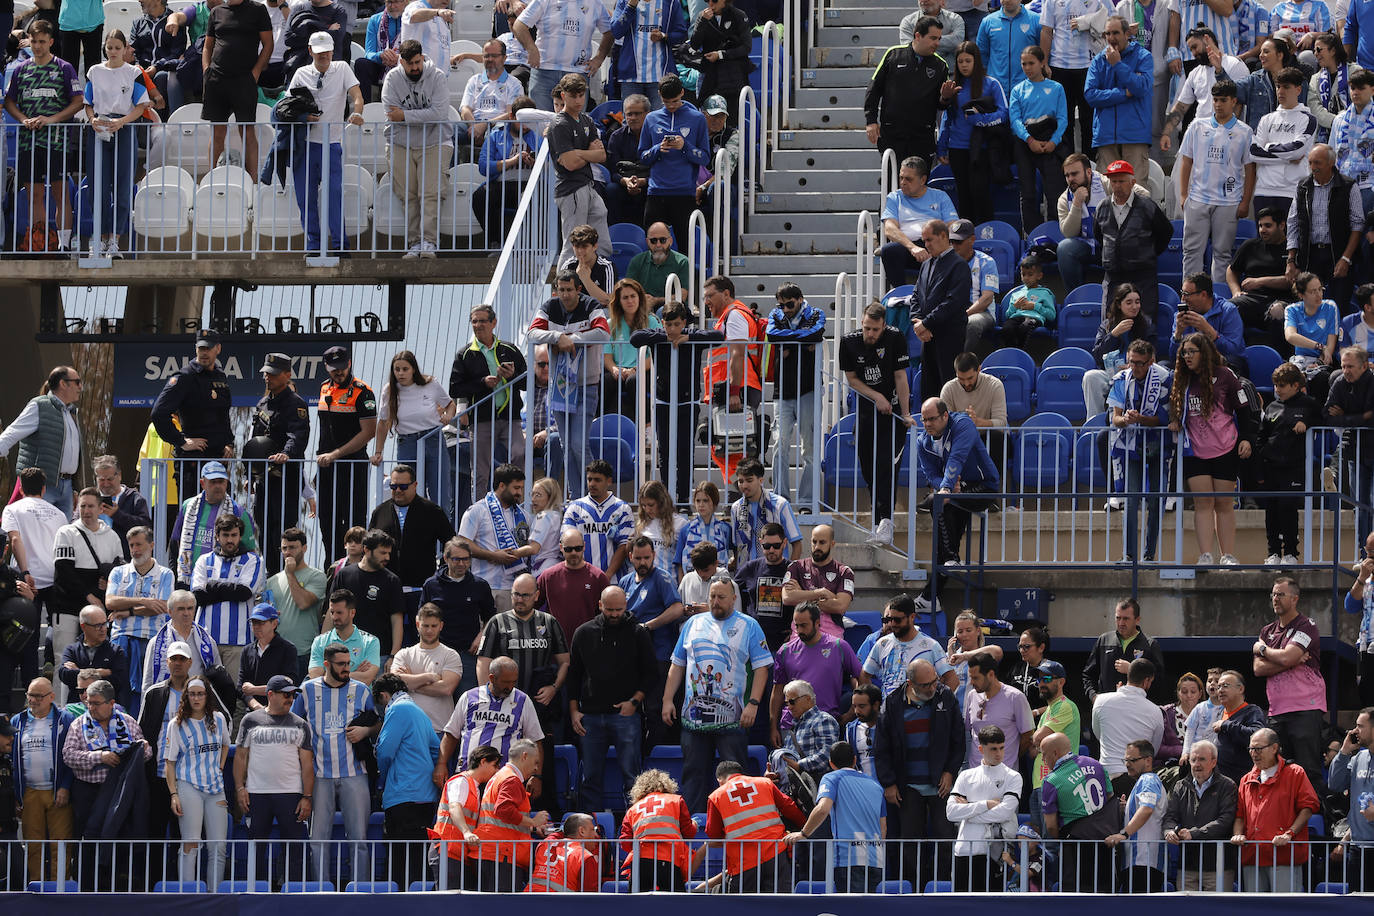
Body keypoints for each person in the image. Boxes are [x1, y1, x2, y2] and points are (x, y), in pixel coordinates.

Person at [662, 575, 772, 812]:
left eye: (721, 597)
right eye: (712, 596)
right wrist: (667, 699)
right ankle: (693, 831)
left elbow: (762, 668)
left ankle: (738, 828)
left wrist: (753, 703)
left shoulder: (749, 625)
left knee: (735, 780)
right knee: (693, 777)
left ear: (733, 598)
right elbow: (677, 665)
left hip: (732, 720)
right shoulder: (692, 624)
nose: (715, 601)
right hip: (693, 720)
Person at [1169, 330, 1256, 566]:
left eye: (1192, 352)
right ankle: (1205, 555)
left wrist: (1246, 438)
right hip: (1194, 450)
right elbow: (1174, 405)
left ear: (1204, 352)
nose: (1187, 356)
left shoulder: (1225, 375)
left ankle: (1227, 555)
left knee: (1224, 503)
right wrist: (1175, 418)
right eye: (1184, 352)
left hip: (1226, 447)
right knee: (1203, 502)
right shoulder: (1182, 378)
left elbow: (1243, 409)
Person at [874, 658, 964, 884]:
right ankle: (914, 889)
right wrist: (889, 783)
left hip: (940, 783)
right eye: (926, 685)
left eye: (935, 681)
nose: (933, 687)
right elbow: (881, 747)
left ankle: (942, 886)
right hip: (907, 785)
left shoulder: (946, 696)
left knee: (944, 838)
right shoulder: (892, 703)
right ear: (910, 683)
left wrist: (950, 772)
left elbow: (959, 741)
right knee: (910, 842)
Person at [835, 305, 916, 547]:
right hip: (866, 413)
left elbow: (901, 376)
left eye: (875, 329)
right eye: (866, 328)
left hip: (892, 415)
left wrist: (905, 413)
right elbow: (851, 379)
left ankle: (886, 522)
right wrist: (875, 396)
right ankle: (879, 522)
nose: (870, 333)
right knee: (869, 469)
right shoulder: (848, 342)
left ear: (883, 326)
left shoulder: (895, 337)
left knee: (886, 469)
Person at [293, 642, 375, 882]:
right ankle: (321, 890)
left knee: (359, 838)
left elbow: (376, 724)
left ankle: (360, 890)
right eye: (341, 664)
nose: (347, 668)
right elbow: (296, 727)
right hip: (319, 776)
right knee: (318, 838)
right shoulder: (307, 690)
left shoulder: (361, 690)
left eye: (348, 663)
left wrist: (365, 731)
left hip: (354, 772)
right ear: (326, 664)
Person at [568, 585, 654, 810]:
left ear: (626, 606)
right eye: (609, 610)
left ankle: (634, 827)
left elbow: (651, 673)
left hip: (626, 716)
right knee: (590, 778)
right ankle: (590, 833)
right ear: (600, 606)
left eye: (619, 609)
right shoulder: (583, 633)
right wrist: (574, 710)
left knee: (632, 778)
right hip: (591, 717)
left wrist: (634, 702)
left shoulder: (638, 632)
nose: (615, 614)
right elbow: (574, 674)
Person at [3, 21, 83, 255]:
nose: (37, 46)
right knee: (34, 194)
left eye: (41, 42)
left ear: (50, 42)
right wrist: (23, 119)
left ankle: (64, 244)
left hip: (57, 140)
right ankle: (38, 242)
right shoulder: (21, 69)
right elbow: (9, 101)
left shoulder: (64, 67)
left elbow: (77, 101)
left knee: (60, 192)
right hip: (29, 141)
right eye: (33, 41)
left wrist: (52, 119)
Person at [528, 271, 612, 488]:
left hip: (586, 384)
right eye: (561, 290)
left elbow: (604, 333)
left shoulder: (591, 305)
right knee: (566, 445)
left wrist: (573, 340)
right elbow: (532, 333)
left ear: (578, 290)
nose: (565, 295)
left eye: (569, 290)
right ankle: (577, 497)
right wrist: (557, 337)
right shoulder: (549, 307)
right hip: (560, 386)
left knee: (578, 444)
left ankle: (593, 494)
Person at [914, 397, 1000, 605]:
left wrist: (945, 488)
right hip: (953, 493)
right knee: (944, 512)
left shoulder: (963, 424)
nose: (927, 425)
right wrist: (947, 487)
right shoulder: (922, 442)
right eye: (924, 420)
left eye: (932, 419)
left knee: (940, 503)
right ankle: (932, 592)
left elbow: (957, 458)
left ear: (945, 415)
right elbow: (930, 474)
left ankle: (932, 591)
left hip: (984, 486)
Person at [1095, 316, 1170, 554]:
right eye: (1131, 362)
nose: (1134, 367)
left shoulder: (1165, 378)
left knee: (1156, 501)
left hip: (1158, 445)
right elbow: (1114, 418)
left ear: (1151, 362)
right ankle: (1130, 555)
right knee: (1132, 499)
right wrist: (1125, 420)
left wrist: (1142, 420)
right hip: (1130, 446)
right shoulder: (1120, 380)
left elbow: (1166, 420)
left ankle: (1149, 553)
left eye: (1140, 363)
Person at [234, 675, 313, 886]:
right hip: (257, 794)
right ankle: (256, 891)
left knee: (295, 847)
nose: (290, 699)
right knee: (256, 846)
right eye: (286, 694)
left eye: (292, 695)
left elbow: (307, 764)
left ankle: (295, 892)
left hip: (291, 794)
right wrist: (240, 788)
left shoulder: (301, 724)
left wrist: (307, 796)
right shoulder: (250, 721)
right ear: (270, 695)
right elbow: (240, 757)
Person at [1177, 81, 1256, 287]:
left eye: (1223, 100)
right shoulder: (1196, 126)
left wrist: (1245, 201)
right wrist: (1184, 195)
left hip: (1228, 201)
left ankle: (1218, 297)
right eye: (1215, 100)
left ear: (1233, 101)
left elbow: (1250, 168)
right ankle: (1189, 296)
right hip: (1198, 198)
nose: (1218, 104)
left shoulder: (1245, 132)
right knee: (1192, 251)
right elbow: (1186, 161)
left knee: (1222, 253)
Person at [1254, 576, 1328, 794]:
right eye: (1273, 594)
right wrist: (1288, 660)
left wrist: (1263, 650)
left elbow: (1285, 658)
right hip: (1277, 711)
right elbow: (1258, 669)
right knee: (1276, 770)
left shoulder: (1307, 626)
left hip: (1305, 708)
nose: (1275, 599)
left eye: (1281, 594)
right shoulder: (1267, 631)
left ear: (1295, 598)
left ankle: (1314, 822)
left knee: (1308, 770)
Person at [380, 39, 452, 258]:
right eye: (410, 63)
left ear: (422, 58)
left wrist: (405, 116)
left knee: (429, 194)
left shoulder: (437, 76)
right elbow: (390, 113)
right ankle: (415, 243)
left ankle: (429, 242)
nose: (415, 68)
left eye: (417, 62)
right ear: (401, 61)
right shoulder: (392, 78)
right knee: (407, 195)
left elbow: (439, 114)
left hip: (435, 140)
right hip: (401, 142)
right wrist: (416, 116)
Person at [80, 30, 148, 258]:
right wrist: (92, 119)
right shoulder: (94, 71)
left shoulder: (133, 72)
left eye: (117, 47)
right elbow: (88, 102)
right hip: (99, 129)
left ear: (125, 47)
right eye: (109, 47)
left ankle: (114, 241)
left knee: (122, 187)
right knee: (97, 187)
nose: (113, 52)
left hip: (124, 129)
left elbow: (141, 105)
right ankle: (97, 240)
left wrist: (122, 122)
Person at [783, 741, 886, 893]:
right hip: (876, 859)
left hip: (848, 859)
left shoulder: (831, 778)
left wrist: (803, 834)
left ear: (831, 763)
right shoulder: (875, 784)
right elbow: (883, 827)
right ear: (855, 760)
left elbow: (823, 809)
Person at [371, 673, 441, 886]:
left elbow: (385, 751)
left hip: (403, 795)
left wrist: (382, 773)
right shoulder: (419, 712)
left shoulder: (397, 709)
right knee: (419, 858)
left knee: (401, 859)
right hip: (425, 795)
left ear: (383, 695)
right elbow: (435, 749)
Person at [60, 679, 151, 839]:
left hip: (120, 791)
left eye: (96, 703)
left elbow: (147, 754)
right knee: (89, 837)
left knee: (121, 837)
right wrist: (99, 757)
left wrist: (144, 749)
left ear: (111, 703)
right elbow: (68, 755)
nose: (91, 708)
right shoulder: (78, 724)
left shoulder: (128, 722)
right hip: (88, 791)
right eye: (89, 703)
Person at [1232, 726, 1320, 891]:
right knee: (1256, 909)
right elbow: (1239, 815)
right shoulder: (1246, 780)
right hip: (1253, 856)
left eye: (1258, 748)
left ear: (1274, 748)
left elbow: (1308, 807)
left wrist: (1289, 833)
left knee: (1284, 909)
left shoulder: (1295, 773)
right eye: (1251, 749)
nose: (1254, 753)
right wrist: (1237, 834)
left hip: (1284, 856)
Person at [764, 284, 826, 514]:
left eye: (790, 304)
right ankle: (781, 501)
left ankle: (807, 502)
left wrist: (787, 343)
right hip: (783, 390)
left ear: (800, 299)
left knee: (809, 449)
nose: (785, 310)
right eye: (782, 305)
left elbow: (816, 333)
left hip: (808, 389)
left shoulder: (816, 313)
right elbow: (772, 335)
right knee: (780, 445)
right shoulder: (775, 314)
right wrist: (801, 342)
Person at [164, 676, 230, 886]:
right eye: (192, 694)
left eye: (200, 693)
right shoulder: (176, 724)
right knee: (191, 842)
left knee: (218, 846)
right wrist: (174, 794)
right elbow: (170, 762)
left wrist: (218, 768)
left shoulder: (219, 719)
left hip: (215, 787)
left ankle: (214, 895)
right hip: (188, 785)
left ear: (207, 695)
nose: (196, 698)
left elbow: (226, 745)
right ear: (186, 696)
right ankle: (189, 895)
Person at [702, 757, 805, 892]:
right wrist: (805, 827)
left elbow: (713, 834)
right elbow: (789, 807)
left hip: (743, 860)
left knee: (744, 907)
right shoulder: (765, 783)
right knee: (780, 904)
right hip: (775, 853)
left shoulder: (716, 796)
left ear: (719, 780)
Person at [315, 346, 379, 560]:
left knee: (353, 521)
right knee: (326, 520)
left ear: (349, 363)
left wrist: (335, 454)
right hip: (326, 468)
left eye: (342, 367)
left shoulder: (363, 391)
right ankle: (332, 568)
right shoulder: (324, 388)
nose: (338, 372)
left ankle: (356, 567)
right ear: (326, 367)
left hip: (352, 466)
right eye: (333, 369)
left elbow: (369, 432)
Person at [372, 352, 455, 515]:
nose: (401, 373)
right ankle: (417, 538)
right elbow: (382, 422)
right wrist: (378, 452)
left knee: (441, 495)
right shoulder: (389, 390)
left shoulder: (430, 383)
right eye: (397, 369)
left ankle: (442, 539)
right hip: (407, 443)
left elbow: (450, 404)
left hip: (433, 439)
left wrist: (449, 416)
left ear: (413, 370)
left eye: (405, 369)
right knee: (410, 496)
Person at [1255, 363, 1322, 566]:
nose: (1277, 389)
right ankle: (1273, 552)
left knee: (1288, 507)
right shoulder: (1272, 407)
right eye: (1275, 385)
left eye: (1282, 385)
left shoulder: (1309, 404)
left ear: (1295, 385)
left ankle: (1291, 552)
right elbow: (1262, 435)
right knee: (1272, 509)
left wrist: (1307, 423)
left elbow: (1323, 419)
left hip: (1294, 466)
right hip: (1271, 465)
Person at [637, 74, 709, 257]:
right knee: (653, 248)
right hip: (656, 192)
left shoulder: (697, 119)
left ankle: (685, 284)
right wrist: (657, 149)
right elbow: (642, 156)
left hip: (684, 193)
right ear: (659, 95)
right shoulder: (651, 118)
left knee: (685, 247)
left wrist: (685, 147)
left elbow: (705, 158)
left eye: (675, 101)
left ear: (683, 93)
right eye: (666, 101)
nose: (671, 106)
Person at [438, 656, 544, 779]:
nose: (510, 687)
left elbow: (536, 741)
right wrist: (441, 764)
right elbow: (451, 734)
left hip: (504, 778)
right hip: (468, 774)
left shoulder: (522, 700)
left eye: (513, 682)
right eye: (505, 682)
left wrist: (536, 777)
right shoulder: (469, 697)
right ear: (492, 678)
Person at [12, 677, 75, 883]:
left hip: (58, 791)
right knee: (33, 845)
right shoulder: (17, 721)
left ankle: (60, 889)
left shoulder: (64, 719)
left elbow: (71, 755)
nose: (33, 700)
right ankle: (36, 887)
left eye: (39, 696)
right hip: (30, 791)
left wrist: (65, 786)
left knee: (61, 845)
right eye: (30, 695)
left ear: (51, 697)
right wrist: (16, 794)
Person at [1039, 732, 1120, 892]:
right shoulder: (1096, 764)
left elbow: (1051, 826)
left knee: (1076, 896)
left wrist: (1063, 840)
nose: (1043, 759)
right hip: (1105, 841)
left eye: (1044, 755)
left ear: (1055, 753)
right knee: (1106, 892)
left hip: (1075, 845)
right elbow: (1110, 798)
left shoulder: (1051, 780)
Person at [1287, 144, 1364, 311]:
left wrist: (1346, 259)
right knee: (1310, 308)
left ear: (1331, 163)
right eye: (1310, 163)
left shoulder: (1348, 186)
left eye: (1318, 163)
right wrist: (1291, 259)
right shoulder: (1303, 187)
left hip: (1338, 254)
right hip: (1310, 255)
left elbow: (1357, 224)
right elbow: (1293, 222)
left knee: (1338, 306)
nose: (1313, 168)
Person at [937, 42, 1007, 225]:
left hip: (982, 149)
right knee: (964, 195)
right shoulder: (953, 86)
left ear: (976, 61)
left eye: (968, 60)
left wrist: (981, 119)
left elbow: (1004, 114)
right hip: (957, 148)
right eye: (960, 61)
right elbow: (947, 118)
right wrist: (941, 147)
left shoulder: (991, 83)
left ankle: (986, 236)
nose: (964, 65)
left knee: (980, 193)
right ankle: (965, 241)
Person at [866, 19, 951, 168]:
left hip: (922, 137)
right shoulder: (893, 55)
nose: (937, 43)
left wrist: (945, 98)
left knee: (919, 185)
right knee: (893, 182)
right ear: (918, 36)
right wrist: (871, 121)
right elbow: (874, 89)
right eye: (933, 38)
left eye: (939, 39)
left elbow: (941, 104)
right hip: (892, 134)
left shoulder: (941, 66)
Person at [0, 368, 84, 519]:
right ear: (63, 384)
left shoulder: (72, 413)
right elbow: (12, 432)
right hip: (42, 486)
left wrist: (75, 488)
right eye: (77, 382)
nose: (80, 387)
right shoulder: (40, 406)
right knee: (36, 533)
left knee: (61, 538)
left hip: (67, 487)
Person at [190, 513, 265, 681]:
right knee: (203, 691)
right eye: (225, 535)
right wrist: (231, 590)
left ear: (240, 536)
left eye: (234, 535)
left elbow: (244, 592)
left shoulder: (252, 560)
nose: (230, 540)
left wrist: (211, 586)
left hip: (238, 641)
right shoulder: (204, 560)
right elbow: (198, 596)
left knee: (235, 696)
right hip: (206, 640)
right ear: (217, 536)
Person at [202, 0, 272, 178]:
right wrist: (206, 71)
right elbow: (207, 46)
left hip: (244, 80)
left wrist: (255, 73)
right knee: (217, 131)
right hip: (216, 80)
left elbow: (268, 44)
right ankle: (212, 178)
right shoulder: (216, 12)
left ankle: (254, 181)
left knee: (247, 131)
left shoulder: (258, 9)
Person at [946, 724, 1021, 891]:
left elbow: (1004, 813)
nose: (999, 753)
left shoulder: (1013, 777)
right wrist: (986, 804)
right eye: (993, 749)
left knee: (992, 908)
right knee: (962, 907)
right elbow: (951, 813)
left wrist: (968, 812)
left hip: (994, 853)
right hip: (964, 849)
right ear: (981, 748)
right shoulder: (966, 776)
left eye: (1001, 748)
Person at [546, 74, 612, 262]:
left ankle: (601, 268)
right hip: (571, 188)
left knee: (601, 216)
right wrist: (587, 152)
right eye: (573, 96)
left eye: (581, 95)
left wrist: (579, 153)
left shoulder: (587, 120)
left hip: (587, 184)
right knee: (572, 243)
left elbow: (601, 155)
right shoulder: (559, 124)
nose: (578, 100)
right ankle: (561, 285)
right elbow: (570, 163)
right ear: (563, 95)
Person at [1095, 161, 1173, 321]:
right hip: (1113, 276)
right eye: (1114, 181)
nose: (1117, 185)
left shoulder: (1147, 206)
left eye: (1121, 181)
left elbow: (1166, 233)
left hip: (1143, 275)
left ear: (1133, 182)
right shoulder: (1101, 207)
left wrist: (1147, 253)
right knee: (1109, 326)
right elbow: (1099, 236)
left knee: (1146, 324)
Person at [472, 737, 549, 890]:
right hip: (501, 854)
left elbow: (502, 817)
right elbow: (504, 810)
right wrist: (533, 822)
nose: (536, 769)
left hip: (493, 852)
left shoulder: (500, 776)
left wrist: (532, 828)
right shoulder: (511, 780)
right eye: (535, 762)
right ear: (524, 756)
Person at [1163, 738, 1239, 891]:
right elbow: (1170, 816)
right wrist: (1169, 831)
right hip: (1187, 865)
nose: (1197, 764)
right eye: (1193, 759)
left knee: (1217, 910)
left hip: (1218, 866)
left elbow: (1225, 820)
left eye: (1202, 759)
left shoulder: (1227, 785)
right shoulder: (1180, 785)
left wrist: (1195, 834)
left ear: (1214, 762)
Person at [456, 465, 531, 619]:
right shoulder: (477, 510)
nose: (519, 493)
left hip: (514, 589)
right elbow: (462, 543)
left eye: (521, 488)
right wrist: (492, 556)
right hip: (484, 586)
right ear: (501, 486)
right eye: (516, 488)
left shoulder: (524, 515)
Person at [1084, 16, 1153, 176]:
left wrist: (1117, 64)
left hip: (1134, 136)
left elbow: (1141, 87)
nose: (1111, 38)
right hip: (1106, 137)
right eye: (1107, 33)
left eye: (1115, 33)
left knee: (1137, 192)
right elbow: (1090, 95)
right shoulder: (1099, 60)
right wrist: (1124, 93)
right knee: (1107, 193)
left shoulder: (1144, 56)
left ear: (1127, 33)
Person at [878, 157, 960, 291]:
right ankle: (902, 293)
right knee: (889, 251)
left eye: (908, 179)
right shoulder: (895, 197)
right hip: (908, 247)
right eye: (901, 178)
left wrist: (938, 245)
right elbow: (889, 228)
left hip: (935, 247)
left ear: (923, 180)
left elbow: (953, 226)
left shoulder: (940, 196)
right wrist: (912, 247)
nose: (903, 183)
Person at [1009, 45, 1068, 231]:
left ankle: (1054, 231)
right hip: (1026, 143)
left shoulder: (1056, 88)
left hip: (1050, 142)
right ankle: (1032, 233)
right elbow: (1015, 120)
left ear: (1042, 63)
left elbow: (1063, 118)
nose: (1027, 68)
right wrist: (1029, 140)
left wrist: (1054, 141)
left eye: (1031, 63)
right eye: (1024, 64)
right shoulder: (1017, 90)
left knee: (1054, 191)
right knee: (1027, 192)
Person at [1160, 27, 1250, 147]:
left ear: (1206, 39)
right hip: (1199, 136)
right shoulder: (1195, 73)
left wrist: (1225, 135)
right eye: (1191, 49)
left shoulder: (1235, 65)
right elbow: (1181, 106)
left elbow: (1238, 105)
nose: (1193, 53)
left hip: (1228, 138)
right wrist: (1166, 133)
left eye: (1195, 47)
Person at [430, 743, 501, 888]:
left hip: (457, 852)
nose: (497, 770)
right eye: (495, 765)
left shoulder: (474, 787)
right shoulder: (461, 781)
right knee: (449, 905)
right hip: (447, 850)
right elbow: (454, 807)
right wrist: (466, 832)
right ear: (483, 761)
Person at [329, 529, 405, 663]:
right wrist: (325, 648)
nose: (387, 557)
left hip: (379, 656)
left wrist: (394, 655)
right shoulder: (344, 575)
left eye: (388, 553)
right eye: (382, 553)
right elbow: (331, 614)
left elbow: (397, 620)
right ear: (367, 550)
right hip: (344, 654)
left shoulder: (392, 581)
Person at [1252, 67, 1317, 220]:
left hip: (1291, 190)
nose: (1280, 91)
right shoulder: (1266, 119)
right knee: (1263, 242)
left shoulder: (1308, 119)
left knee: (1290, 242)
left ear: (1298, 90)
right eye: (1278, 86)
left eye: (1286, 87)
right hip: (1263, 190)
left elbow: (1297, 150)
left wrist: (1268, 146)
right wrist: (1286, 157)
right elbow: (1252, 152)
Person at [1092, 658, 1165, 793]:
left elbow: (1098, 734)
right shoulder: (1156, 711)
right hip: (1136, 781)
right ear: (1147, 681)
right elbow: (1152, 749)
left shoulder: (1101, 701)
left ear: (1128, 675)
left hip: (1106, 779)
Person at [263, 527, 326, 683]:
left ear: (304, 548)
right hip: (276, 650)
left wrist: (290, 573)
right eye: (284, 548)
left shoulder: (316, 576)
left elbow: (303, 603)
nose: (288, 552)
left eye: (292, 547)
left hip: (302, 652)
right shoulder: (272, 581)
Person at [619, 768, 696, 891]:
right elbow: (688, 833)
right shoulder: (676, 801)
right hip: (668, 860)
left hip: (640, 863)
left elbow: (625, 843)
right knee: (676, 904)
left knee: (636, 906)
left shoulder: (633, 809)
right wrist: (695, 825)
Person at [1229, 208, 1294, 346]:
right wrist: (1236, 291)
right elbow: (1231, 270)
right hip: (1251, 299)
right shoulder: (1250, 245)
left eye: (1268, 226)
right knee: (1228, 308)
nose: (1262, 230)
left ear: (1282, 225)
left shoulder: (1292, 249)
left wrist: (1260, 282)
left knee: (1278, 312)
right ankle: (1233, 354)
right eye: (1260, 226)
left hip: (1281, 299)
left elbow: (1292, 280)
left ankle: (1281, 359)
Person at [1080, 597, 1166, 703]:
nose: (1121, 623)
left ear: (1137, 619)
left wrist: (1132, 669)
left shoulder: (1150, 645)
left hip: (1136, 709)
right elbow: (1088, 675)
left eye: (1126, 619)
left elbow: (1159, 681)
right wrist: (1094, 697)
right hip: (1107, 708)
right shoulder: (1104, 640)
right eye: (1118, 618)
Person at [1327, 346, 1374, 539]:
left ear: (1364, 366)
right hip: (1357, 452)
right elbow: (1328, 417)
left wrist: (1346, 416)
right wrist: (1361, 417)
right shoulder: (1339, 382)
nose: (1345, 370)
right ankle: (1364, 554)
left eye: (1350, 366)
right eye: (1343, 366)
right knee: (1360, 505)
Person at [1028, 660, 1080, 828]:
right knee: (1039, 845)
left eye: (1047, 678)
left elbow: (1036, 739)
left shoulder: (1065, 706)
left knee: (1051, 844)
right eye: (1039, 680)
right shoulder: (1049, 710)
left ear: (1061, 681)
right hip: (1040, 783)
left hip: (1057, 783)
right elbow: (1032, 749)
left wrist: (1037, 741)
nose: (1042, 683)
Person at [779, 526, 854, 640]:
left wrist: (801, 593)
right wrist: (821, 593)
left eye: (822, 542)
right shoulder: (796, 567)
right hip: (800, 637)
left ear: (832, 544)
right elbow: (787, 598)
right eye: (814, 542)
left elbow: (840, 607)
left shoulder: (844, 571)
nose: (817, 546)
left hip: (831, 638)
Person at [685, 0, 753, 124]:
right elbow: (694, 45)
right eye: (708, 1)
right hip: (709, 74)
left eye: (715, 1)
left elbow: (746, 47)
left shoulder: (738, 15)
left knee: (732, 118)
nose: (710, 4)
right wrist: (701, 21)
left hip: (733, 76)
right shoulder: (703, 16)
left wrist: (721, 54)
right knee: (705, 116)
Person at [1329, 708, 1374, 890]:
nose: (1354, 731)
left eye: (1360, 726)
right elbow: (1335, 784)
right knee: (1358, 904)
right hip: (1358, 848)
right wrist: (1344, 751)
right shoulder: (1359, 758)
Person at [143, 591, 222, 694]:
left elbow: (218, 675)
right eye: (181, 609)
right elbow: (148, 683)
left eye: (190, 608)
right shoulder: (155, 643)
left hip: (198, 702)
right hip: (166, 703)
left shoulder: (208, 642)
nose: (186, 613)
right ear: (170, 612)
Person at [964, 652, 1033, 769]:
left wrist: (1009, 760)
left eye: (975, 678)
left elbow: (1027, 736)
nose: (971, 682)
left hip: (1005, 779)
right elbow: (968, 731)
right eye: (971, 678)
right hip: (975, 775)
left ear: (991, 674)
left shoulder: (1015, 697)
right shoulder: (972, 695)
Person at [59, 605, 130, 712]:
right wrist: (101, 673)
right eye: (98, 625)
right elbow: (65, 675)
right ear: (83, 627)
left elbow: (118, 681)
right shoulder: (72, 650)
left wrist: (79, 672)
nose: (103, 629)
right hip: (77, 711)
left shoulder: (116, 651)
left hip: (107, 711)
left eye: (105, 624)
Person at [308, 590, 383, 685]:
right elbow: (315, 678)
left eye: (339, 612)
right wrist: (354, 673)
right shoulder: (319, 641)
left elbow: (367, 679)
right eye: (332, 612)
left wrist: (328, 674)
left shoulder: (370, 642)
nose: (334, 617)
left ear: (352, 613)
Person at [239, 603, 298, 714]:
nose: (256, 626)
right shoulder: (247, 651)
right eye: (253, 622)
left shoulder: (288, 649)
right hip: (253, 712)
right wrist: (257, 707)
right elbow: (241, 686)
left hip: (280, 712)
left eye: (261, 622)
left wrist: (254, 690)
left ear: (274, 624)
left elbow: (288, 684)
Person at [1211, 669, 1268, 784]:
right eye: (1219, 687)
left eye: (1225, 686)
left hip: (1241, 782)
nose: (1220, 690)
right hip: (1220, 783)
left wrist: (1226, 725)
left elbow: (1257, 737)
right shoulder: (1220, 713)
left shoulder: (1252, 711)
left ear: (1240, 689)